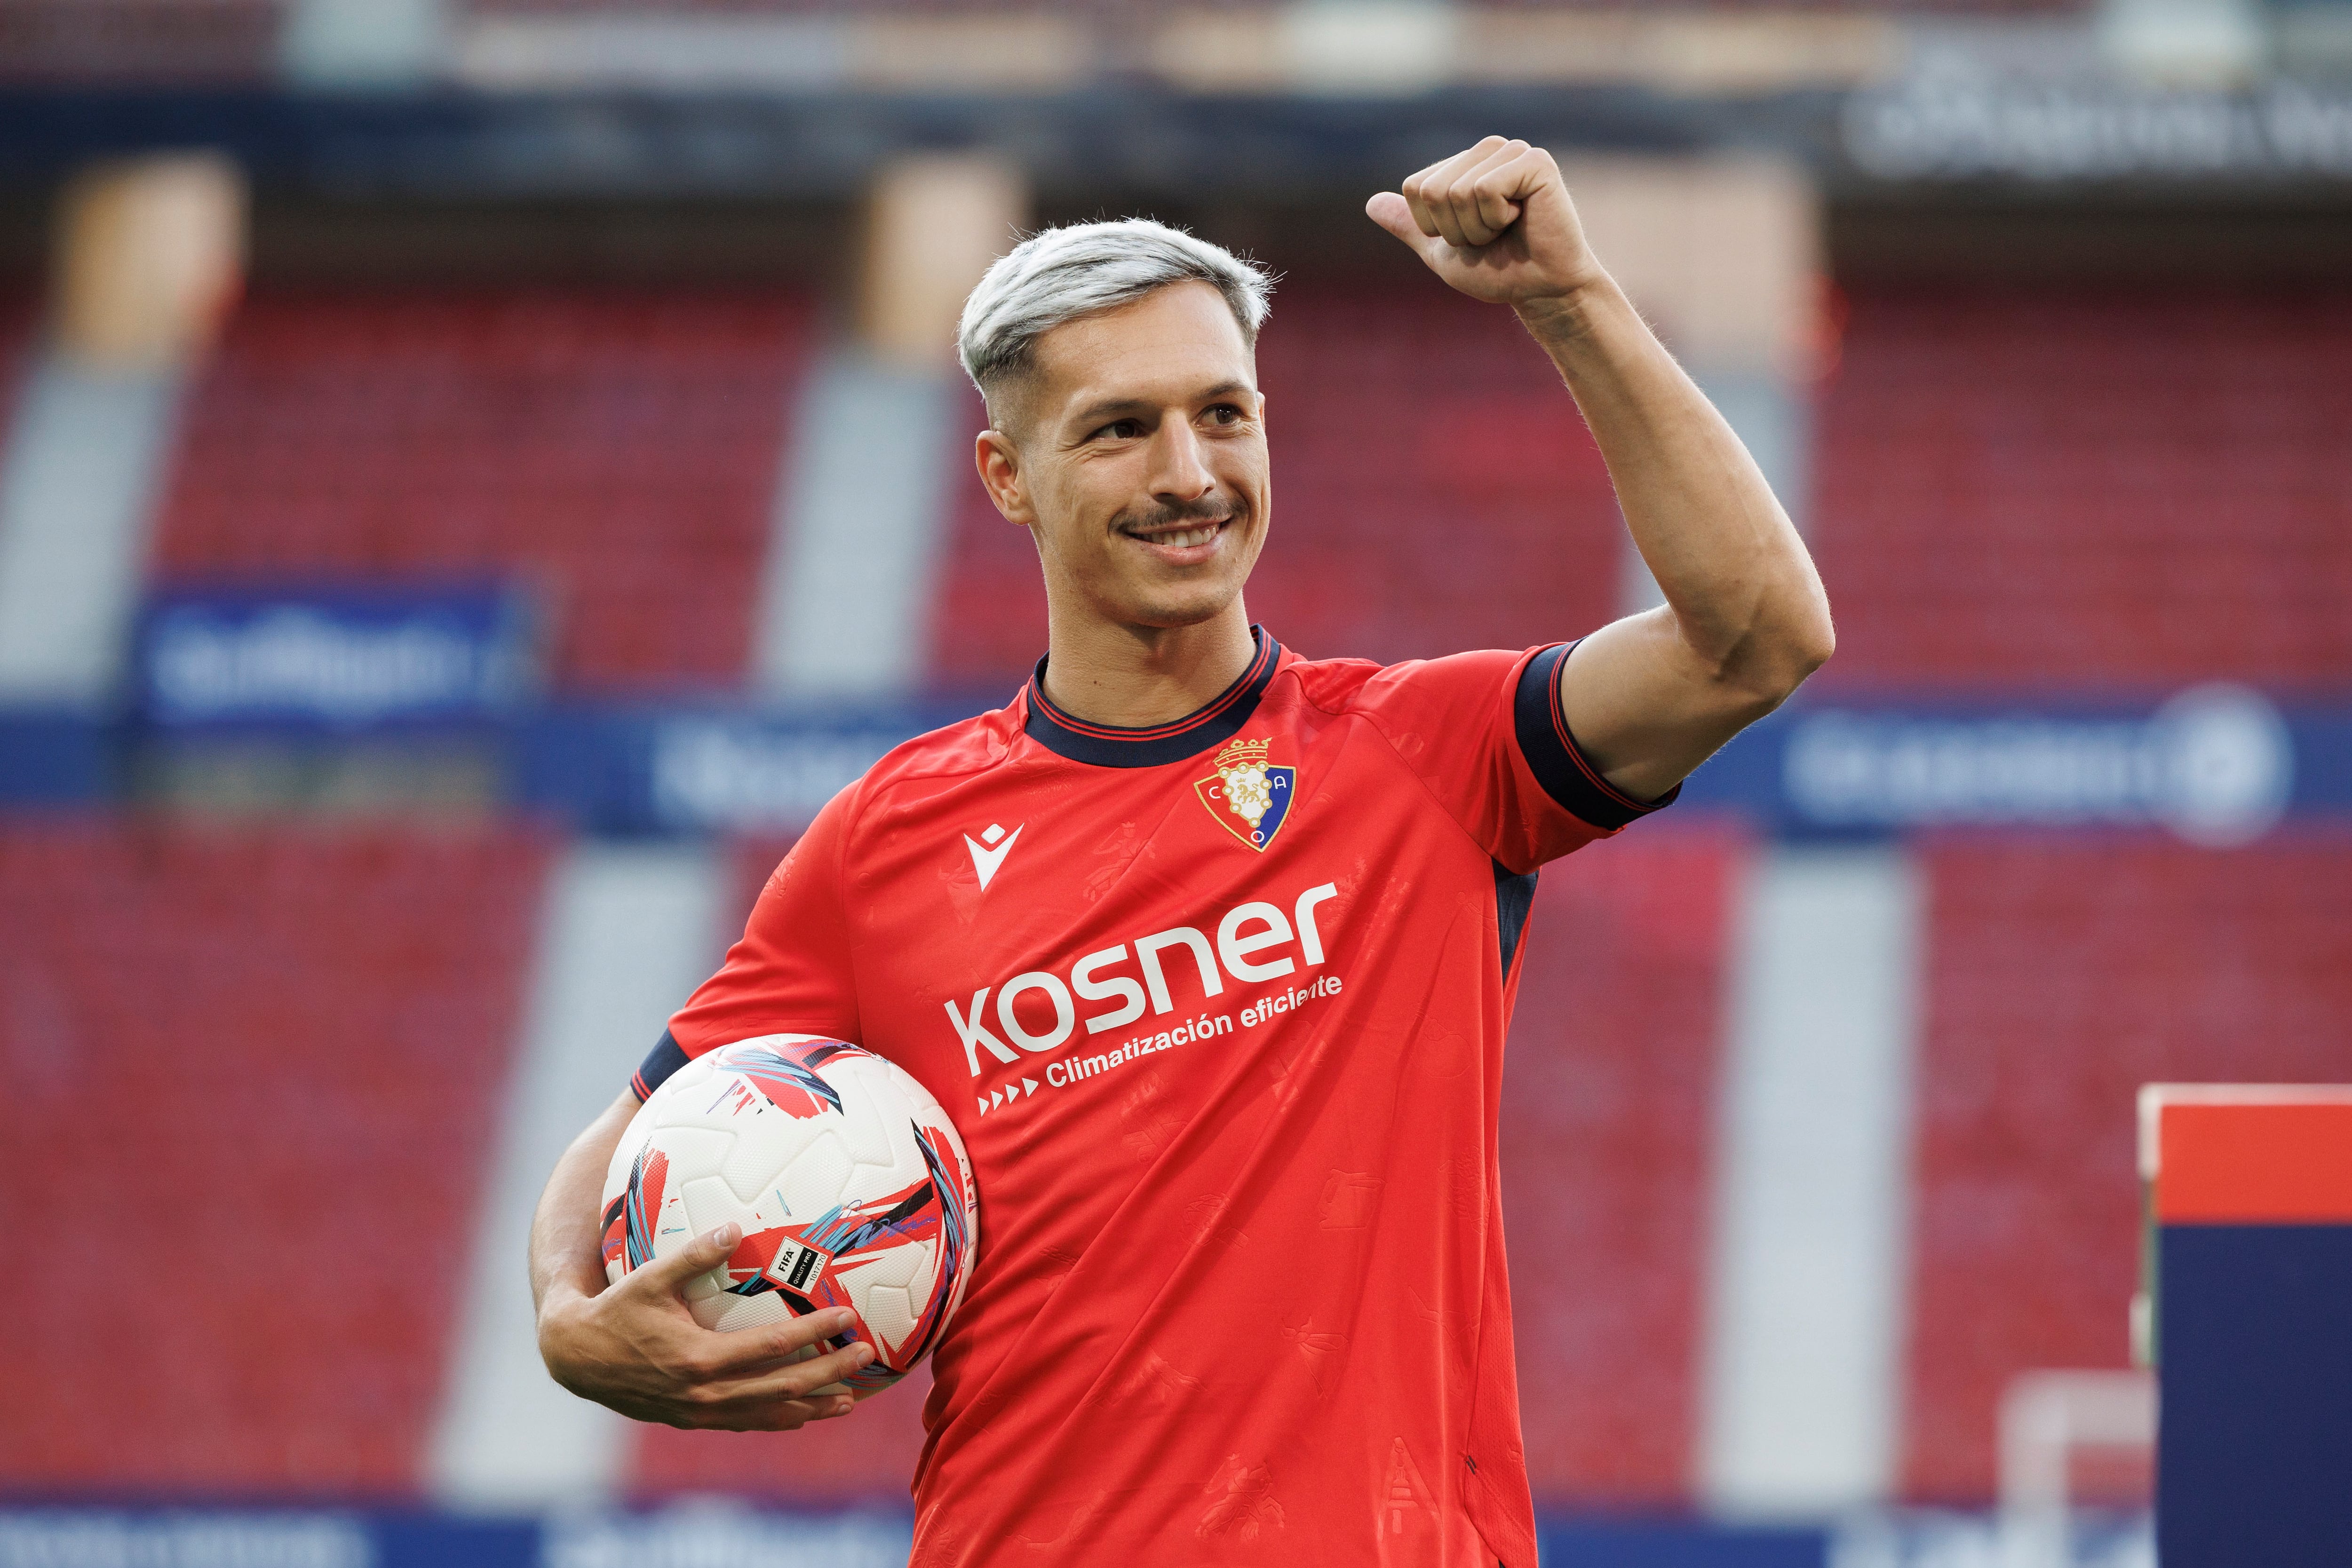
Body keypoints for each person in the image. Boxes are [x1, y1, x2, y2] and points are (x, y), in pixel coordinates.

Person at [529, 136, 1833, 1565]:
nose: (1190, 471)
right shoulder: (888, 840)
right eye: (1118, 428)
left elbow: (1759, 638)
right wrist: (568, 1325)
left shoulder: (1423, 755)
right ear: (1007, 476)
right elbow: (627, 1145)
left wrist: (1569, 295)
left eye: (1225, 413)